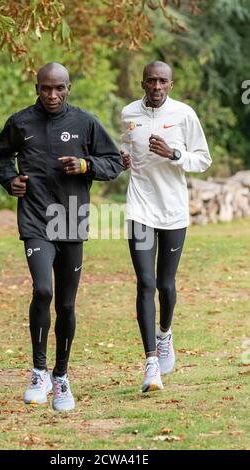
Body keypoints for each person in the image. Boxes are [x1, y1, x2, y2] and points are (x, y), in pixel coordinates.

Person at [0, 62, 123, 412]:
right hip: (35, 218)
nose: (52, 95)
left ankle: (61, 376)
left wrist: (85, 166)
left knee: (66, 304)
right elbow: (0, 155)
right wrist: (9, 180)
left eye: (59, 88)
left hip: (70, 219)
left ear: (68, 88)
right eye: (46, 88)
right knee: (43, 290)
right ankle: (38, 372)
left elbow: (113, 162)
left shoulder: (86, 122)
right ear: (37, 88)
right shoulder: (20, 122)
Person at [121, 61, 211, 392]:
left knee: (165, 285)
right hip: (140, 207)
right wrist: (122, 157)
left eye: (163, 81)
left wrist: (174, 153)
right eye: (151, 81)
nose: (156, 86)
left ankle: (165, 335)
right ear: (142, 82)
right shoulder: (129, 112)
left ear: (170, 84)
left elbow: (203, 159)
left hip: (173, 210)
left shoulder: (185, 114)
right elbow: (126, 146)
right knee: (145, 283)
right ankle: (150, 365)